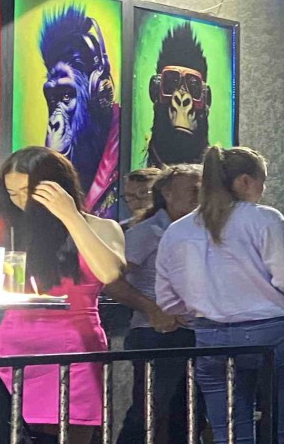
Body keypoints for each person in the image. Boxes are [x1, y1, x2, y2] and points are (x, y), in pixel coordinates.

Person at [156, 146, 284, 444]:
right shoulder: (265, 219)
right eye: (262, 181)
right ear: (245, 181)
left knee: (230, 435)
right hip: (274, 332)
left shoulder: (177, 231)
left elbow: (167, 300)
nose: (263, 189)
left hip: (210, 336)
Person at [0, 146, 125, 444]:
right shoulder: (14, 230)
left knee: (72, 431)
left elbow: (109, 273)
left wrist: (70, 216)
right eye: (12, 193)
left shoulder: (102, 227)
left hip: (75, 350)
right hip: (13, 348)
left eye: (28, 192)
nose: (21, 201)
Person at [108, 164, 206, 444]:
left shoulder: (201, 230)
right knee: (148, 414)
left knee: (190, 417)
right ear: (168, 193)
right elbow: (111, 281)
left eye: (203, 189)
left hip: (196, 332)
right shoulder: (148, 231)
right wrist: (153, 309)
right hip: (157, 333)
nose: (200, 196)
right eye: (193, 189)